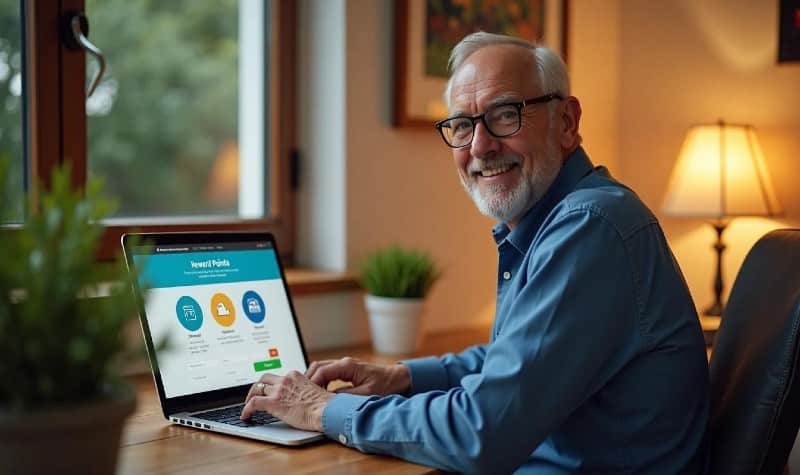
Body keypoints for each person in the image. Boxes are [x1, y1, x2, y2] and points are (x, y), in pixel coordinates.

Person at [241, 32, 710, 474]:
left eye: (506, 114)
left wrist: (322, 408)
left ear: (566, 122)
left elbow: (482, 430)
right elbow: (517, 362)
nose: (480, 146)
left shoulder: (589, 225)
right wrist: (401, 377)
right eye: (462, 125)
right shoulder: (566, 217)